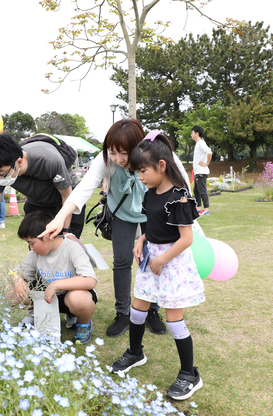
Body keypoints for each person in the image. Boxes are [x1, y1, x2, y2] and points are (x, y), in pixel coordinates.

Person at [41, 119, 174, 338]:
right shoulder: (105, 160)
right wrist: (61, 216)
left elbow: (177, 182)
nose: (119, 159)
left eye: (125, 153)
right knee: (121, 261)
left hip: (153, 213)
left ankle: (152, 310)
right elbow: (84, 187)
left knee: (154, 258)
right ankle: (123, 313)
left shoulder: (154, 153)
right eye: (113, 152)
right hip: (121, 213)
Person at [110, 131, 204, 401]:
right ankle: (135, 353)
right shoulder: (150, 193)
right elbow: (153, 226)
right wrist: (142, 239)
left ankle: (189, 374)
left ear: (161, 166)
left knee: (174, 321)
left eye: (142, 171)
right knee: (137, 310)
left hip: (172, 263)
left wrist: (162, 259)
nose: (139, 177)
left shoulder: (180, 197)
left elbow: (186, 238)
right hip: (152, 259)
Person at [0, 133, 85, 261]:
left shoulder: (48, 159)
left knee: (65, 253)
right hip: (37, 204)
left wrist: (66, 231)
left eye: (1, 173)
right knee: (37, 251)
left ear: (19, 162)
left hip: (67, 204)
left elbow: (67, 196)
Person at [10, 211, 97, 344]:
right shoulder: (35, 253)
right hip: (47, 298)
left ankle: (84, 324)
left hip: (70, 296)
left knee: (78, 299)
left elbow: (90, 280)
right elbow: (15, 273)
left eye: (32, 243)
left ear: (48, 236)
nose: (31, 248)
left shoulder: (72, 248)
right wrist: (17, 281)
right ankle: (38, 314)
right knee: (10, 292)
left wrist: (55, 285)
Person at [191, 126, 212, 215]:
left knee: (202, 190)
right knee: (196, 190)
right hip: (197, 172)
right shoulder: (198, 144)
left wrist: (206, 163)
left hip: (201, 172)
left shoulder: (201, 143)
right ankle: (198, 208)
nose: (191, 135)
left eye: (192, 133)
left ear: (197, 133)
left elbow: (209, 152)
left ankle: (206, 210)